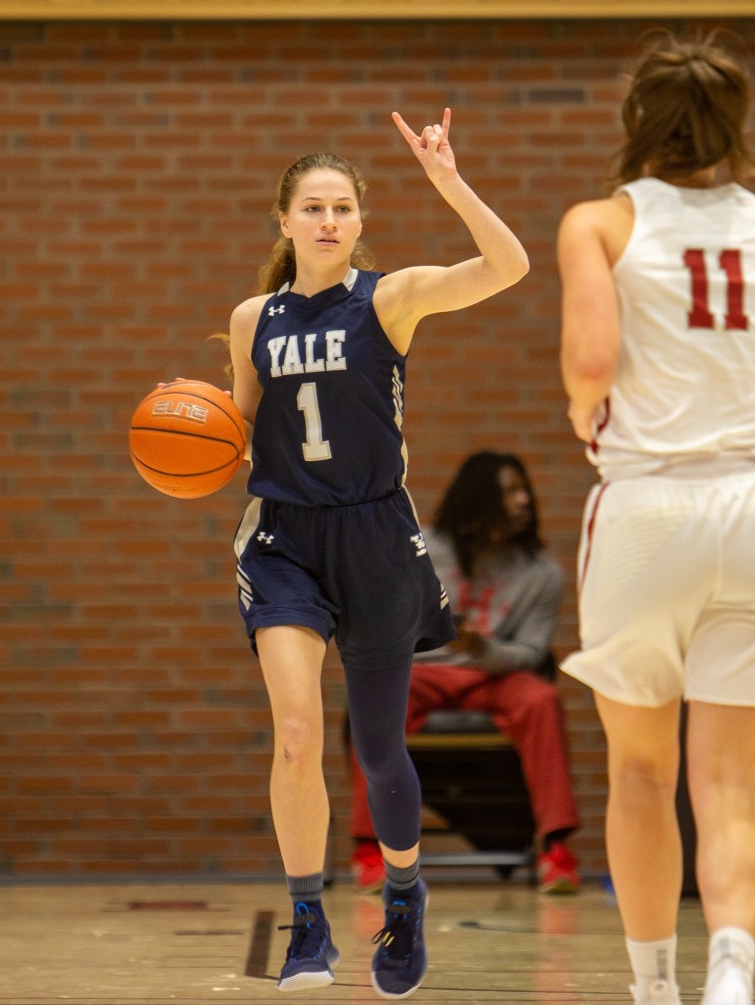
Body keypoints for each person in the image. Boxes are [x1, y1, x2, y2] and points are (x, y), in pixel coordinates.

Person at [226, 109, 528, 997]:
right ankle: (308, 924)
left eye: (342, 208)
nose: (327, 222)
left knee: (379, 747)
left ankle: (402, 894)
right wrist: (189, 429)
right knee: (293, 730)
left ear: (360, 222)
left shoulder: (389, 299)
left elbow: (507, 267)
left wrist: (448, 183)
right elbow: (238, 433)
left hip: (375, 536)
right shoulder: (252, 318)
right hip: (283, 537)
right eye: (311, 208)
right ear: (283, 221)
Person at [557, 32, 755, 1005]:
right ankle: (734, 969)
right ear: (736, 126)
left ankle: (656, 988)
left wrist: (587, 417)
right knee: (730, 783)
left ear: (636, 123)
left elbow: (588, 366)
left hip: (649, 509)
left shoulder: (603, 223)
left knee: (642, 772)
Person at [347, 450, 581, 895]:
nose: (524, 501)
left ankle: (556, 851)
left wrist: (482, 647)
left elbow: (532, 653)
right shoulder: (421, 548)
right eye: (510, 491)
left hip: (491, 675)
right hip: (423, 671)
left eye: (523, 490)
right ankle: (369, 850)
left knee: (541, 700)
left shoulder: (542, 573)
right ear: (479, 498)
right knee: (375, 698)